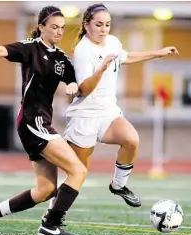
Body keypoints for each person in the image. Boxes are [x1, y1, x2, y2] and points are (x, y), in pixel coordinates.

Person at [0, 6, 87, 235]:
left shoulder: (61, 58)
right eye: (54, 27)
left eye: (62, 28)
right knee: (77, 170)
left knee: (46, 190)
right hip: (32, 122)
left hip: (42, 123)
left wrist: (73, 86)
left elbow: (73, 81)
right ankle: (51, 225)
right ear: (41, 27)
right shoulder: (29, 48)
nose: (58, 32)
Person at [62, 3, 179, 208]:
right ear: (86, 25)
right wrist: (102, 68)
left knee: (131, 140)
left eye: (107, 25)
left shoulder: (113, 42)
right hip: (85, 115)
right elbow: (84, 89)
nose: (103, 29)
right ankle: (52, 217)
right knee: (77, 174)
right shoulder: (83, 50)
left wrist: (158, 53)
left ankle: (118, 185)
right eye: (98, 25)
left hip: (108, 112)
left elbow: (127, 56)